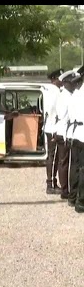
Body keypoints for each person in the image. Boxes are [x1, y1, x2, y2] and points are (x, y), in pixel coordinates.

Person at [55, 69, 78, 200]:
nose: (74, 84)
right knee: (65, 162)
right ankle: (65, 190)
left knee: (65, 162)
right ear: (65, 82)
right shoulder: (65, 96)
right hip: (64, 132)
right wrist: (65, 136)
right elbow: (64, 117)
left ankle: (66, 189)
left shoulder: (68, 95)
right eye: (71, 81)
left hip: (64, 131)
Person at [43, 68, 64, 195]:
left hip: (50, 127)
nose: (61, 81)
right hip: (53, 128)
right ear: (54, 79)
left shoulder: (51, 91)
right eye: (59, 78)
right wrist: (56, 130)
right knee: (53, 156)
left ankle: (52, 183)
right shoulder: (55, 92)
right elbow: (52, 112)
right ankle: (50, 184)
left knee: (53, 156)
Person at [67, 69, 84, 206]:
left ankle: (72, 197)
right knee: (82, 168)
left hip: (76, 132)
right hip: (82, 132)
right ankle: (81, 201)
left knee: (75, 166)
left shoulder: (75, 94)